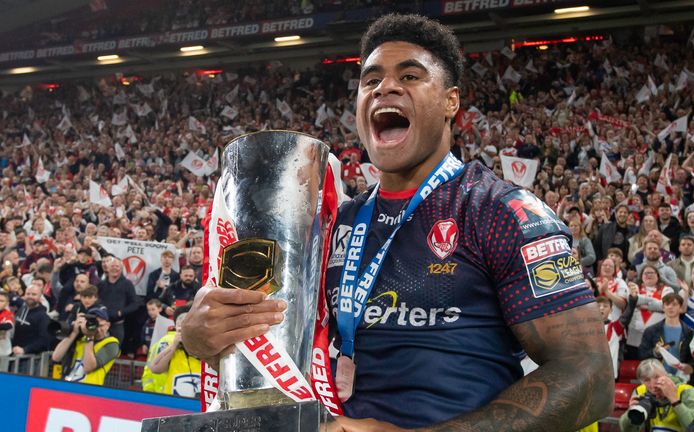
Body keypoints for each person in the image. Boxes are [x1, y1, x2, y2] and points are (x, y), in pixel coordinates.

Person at [183, 13, 612, 431]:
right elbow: (266, 335)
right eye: (370, 80)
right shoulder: (332, 223)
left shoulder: (501, 211)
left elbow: (589, 377)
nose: (385, 87)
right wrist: (201, 333)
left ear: (451, 102)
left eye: (409, 76)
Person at [619, 358, 694, 432]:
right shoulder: (641, 392)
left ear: (666, 375)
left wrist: (675, 401)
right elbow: (627, 430)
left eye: (657, 377)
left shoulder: (686, 391)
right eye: (647, 380)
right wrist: (630, 415)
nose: (653, 385)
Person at [51, 305, 120, 385]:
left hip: (89, 391)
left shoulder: (112, 343)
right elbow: (56, 357)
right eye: (94, 325)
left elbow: (88, 367)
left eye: (101, 325)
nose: (97, 329)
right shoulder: (81, 339)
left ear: (108, 325)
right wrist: (74, 332)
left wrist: (89, 337)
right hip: (67, 386)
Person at [147, 305, 200, 397]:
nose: (182, 322)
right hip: (174, 399)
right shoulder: (169, 342)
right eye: (179, 319)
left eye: (186, 318)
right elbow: (155, 368)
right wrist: (174, 346)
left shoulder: (203, 343)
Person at [638, 293, 694, 376]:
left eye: (674, 304)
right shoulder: (651, 331)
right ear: (663, 308)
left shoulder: (689, 333)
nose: (670, 307)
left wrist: (690, 367)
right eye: (667, 304)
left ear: (681, 308)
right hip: (657, 377)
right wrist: (655, 352)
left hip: (682, 378)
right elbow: (641, 355)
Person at [97, 256, 140, 344]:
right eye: (112, 266)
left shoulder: (127, 284)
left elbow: (135, 304)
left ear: (121, 269)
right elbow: (95, 300)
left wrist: (121, 312)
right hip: (100, 324)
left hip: (117, 325)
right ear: (108, 268)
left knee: (113, 351)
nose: (115, 268)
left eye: (117, 266)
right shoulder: (100, 284)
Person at [11, 284, 51, 355]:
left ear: (40, 297)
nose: (30, 296)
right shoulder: (20, 310)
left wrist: (25, 350)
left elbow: (44, 340)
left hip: (30, 358)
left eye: (34, 294)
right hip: (14, 353)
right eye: (28, 294)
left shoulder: (43, 317)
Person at [0, 290, 14, 356]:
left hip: (3, 351)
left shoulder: (7, 314)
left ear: (7, 303)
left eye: (1, 301)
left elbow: (9, 325)